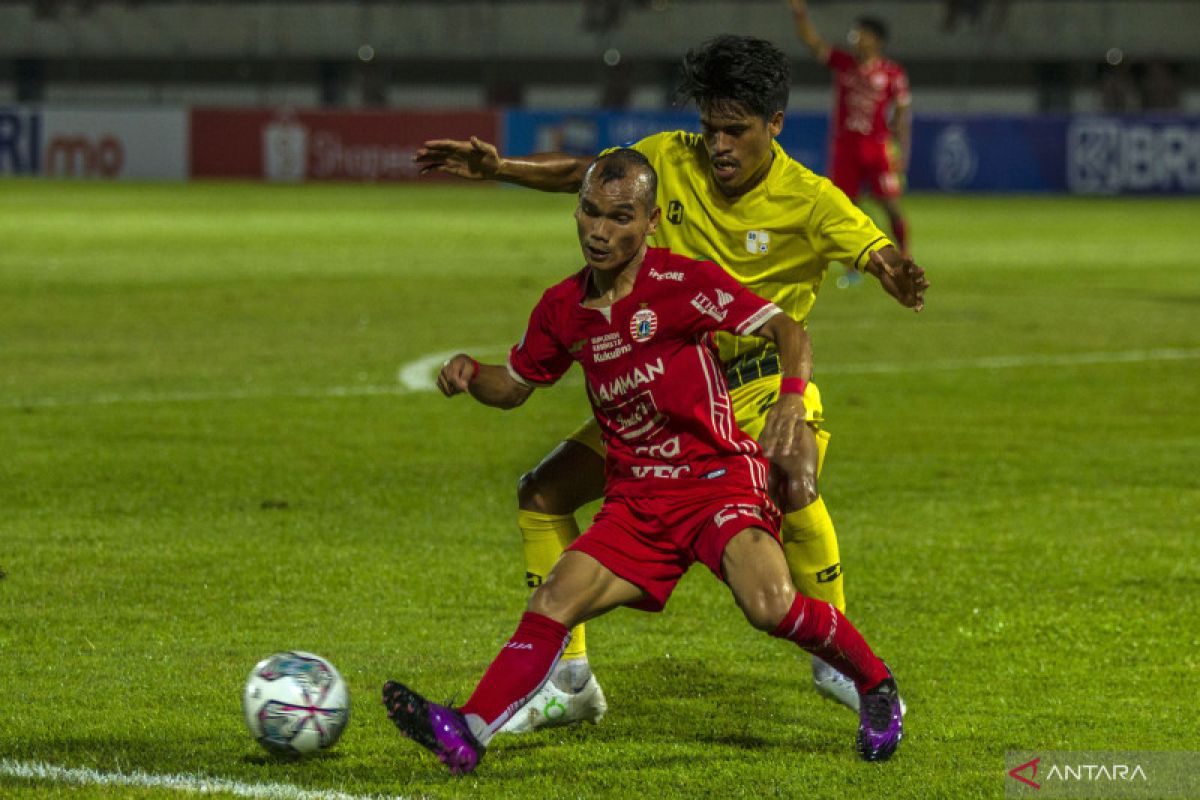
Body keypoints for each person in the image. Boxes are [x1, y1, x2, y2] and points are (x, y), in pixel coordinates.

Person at [414, 34, 928, 732]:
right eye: (711, 128)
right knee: (541, 492)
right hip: (656, 391)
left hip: (756, 385)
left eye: (736, 131)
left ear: (773, 125)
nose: (718, 145)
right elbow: (584, 177)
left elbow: (874, 251)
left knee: (796, 479)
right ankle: (570, 681)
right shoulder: (667, 159)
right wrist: (499, 166)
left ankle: (835, 653)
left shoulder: (810, 200)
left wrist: (893, 268)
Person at [789, 0, 913, 261]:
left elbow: (902, 116)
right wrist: (800, 15)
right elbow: (813, 43)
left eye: (861, 34)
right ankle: (851, 266)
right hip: (845, 146)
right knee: (845, 209)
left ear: (876, 40)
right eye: (854, 34)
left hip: (877, 147)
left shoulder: (893, 73)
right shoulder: (843, 63)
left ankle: (905, 257)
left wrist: (901, 152)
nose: (855, 39)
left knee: (891, 205)